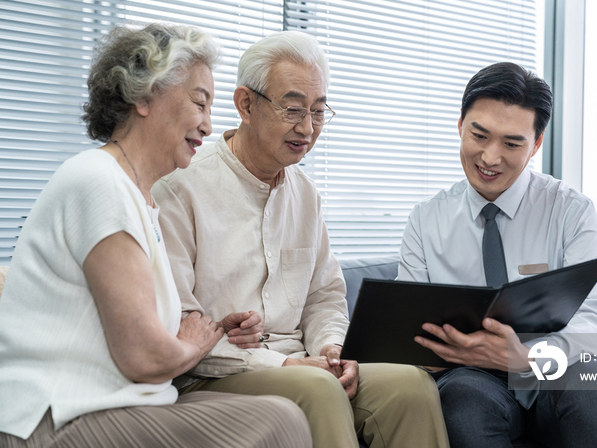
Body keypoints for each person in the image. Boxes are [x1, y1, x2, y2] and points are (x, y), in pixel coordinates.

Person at [0, 23, 312, 448]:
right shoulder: (98, 182)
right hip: (60, 416)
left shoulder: (139, 196)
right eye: (199, 103)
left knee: (281, 416)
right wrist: (193, 345)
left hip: (122, 404)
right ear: (144, 97)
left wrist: (215, 329)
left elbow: (153, 329)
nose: (207, 125)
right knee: (279, 422)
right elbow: (146, 356)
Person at [151, 30, 449, 448]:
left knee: (411, 385)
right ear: (245, 104)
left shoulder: (306, 194)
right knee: (318, 389)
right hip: (214, 375)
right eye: (292, 109)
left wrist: (333, 350)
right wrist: (286, 362)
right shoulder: (180, 186)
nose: (307, 128)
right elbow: (178, 323)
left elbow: (324, 296)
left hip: (302, 364)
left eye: (319, 111)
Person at [398, 62, 597, 447]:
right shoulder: (426, 219)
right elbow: (408, 325)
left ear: (536, 144)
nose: (490, 157)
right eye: (480, 135)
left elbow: (596, 318)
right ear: (460, 126)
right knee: (463, 401)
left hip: (554, 366)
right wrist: (436, 352)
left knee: (592, 389)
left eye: (511, 143)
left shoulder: (570, 210)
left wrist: (529, 358)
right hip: (471, 375)